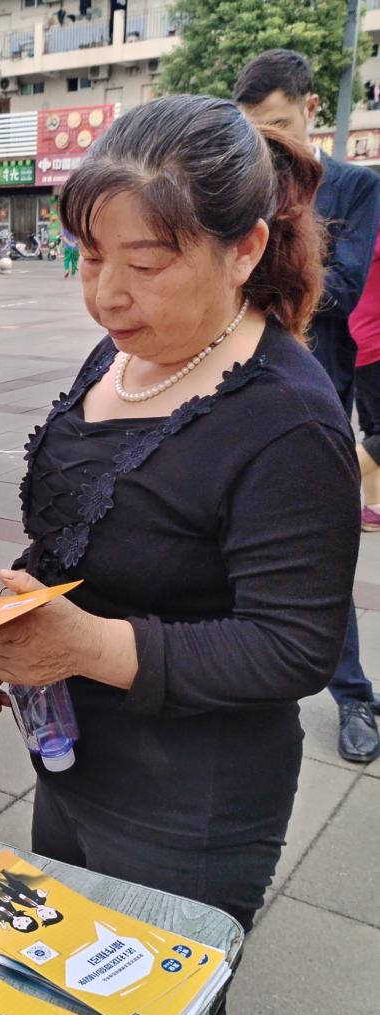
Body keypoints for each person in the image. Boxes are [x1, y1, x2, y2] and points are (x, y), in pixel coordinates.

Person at [0, 95, 358, 1015]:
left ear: (245, 248)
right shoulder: (126, 348)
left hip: (194, 799)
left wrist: (82, 644)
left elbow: (294, 644)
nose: (105, 296)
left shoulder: (286, 421)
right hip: (74, 757)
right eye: (90, 257)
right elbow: (94, 521)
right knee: (67, 1005)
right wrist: (12, 605)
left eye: (144, 264)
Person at [235, 48, 380, 763]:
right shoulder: (237, 181)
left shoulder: (351, 186)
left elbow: (343, 289)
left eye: (281, 126)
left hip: (314, 395)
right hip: (232, 387)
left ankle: (353, 695)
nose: (270, 147)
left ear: (311, 111)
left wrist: (265, 270)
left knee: (319, 557)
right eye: (255, 134)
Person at [351, 229, 380, 531]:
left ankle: (374, 508)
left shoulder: (367, 233)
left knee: (373, 429)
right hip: (376, 344)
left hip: (362, 343)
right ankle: (322, 485)